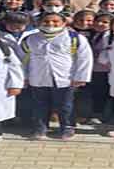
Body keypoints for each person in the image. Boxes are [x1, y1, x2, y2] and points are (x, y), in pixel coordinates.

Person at [19, 12, 93, 140]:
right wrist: (23, 76)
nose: (50, 24)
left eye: (55, 21)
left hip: (65, 77)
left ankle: (67, 127)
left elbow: (84, 58)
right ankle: (40, 127)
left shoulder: (74, 38)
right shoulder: (30, 39)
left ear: (64, 23)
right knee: (39, 104)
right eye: (46, 21)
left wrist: (81, 77)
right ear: (39, 23)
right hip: (38, 77)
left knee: (65, 104)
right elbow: (22, 59)